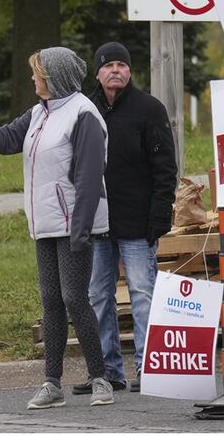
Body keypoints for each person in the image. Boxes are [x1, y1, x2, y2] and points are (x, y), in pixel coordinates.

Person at [0, 48, 113, 410]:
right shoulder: (38, 113)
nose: (32, 79)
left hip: (73, 225)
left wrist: (80, 232)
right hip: (44, 225)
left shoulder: (83, 114)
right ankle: (52, 383)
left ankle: (100, 379)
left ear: (54, 77)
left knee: (74, 299)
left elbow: (90, 178)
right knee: (51, 302)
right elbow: (7, 141)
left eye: (37, 73)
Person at [68, 42, 176, 396]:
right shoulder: (83, 108)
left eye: (122, 64)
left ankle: (148, 368)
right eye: (108, 65)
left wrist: (161, 213)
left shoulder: (149, 109)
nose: (116, 70)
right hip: (97, 223)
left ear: (130, 71)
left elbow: (165, 168)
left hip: (137, 223)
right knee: (98, 296)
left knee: (143, 294)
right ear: (97, 72)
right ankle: (107, 371)